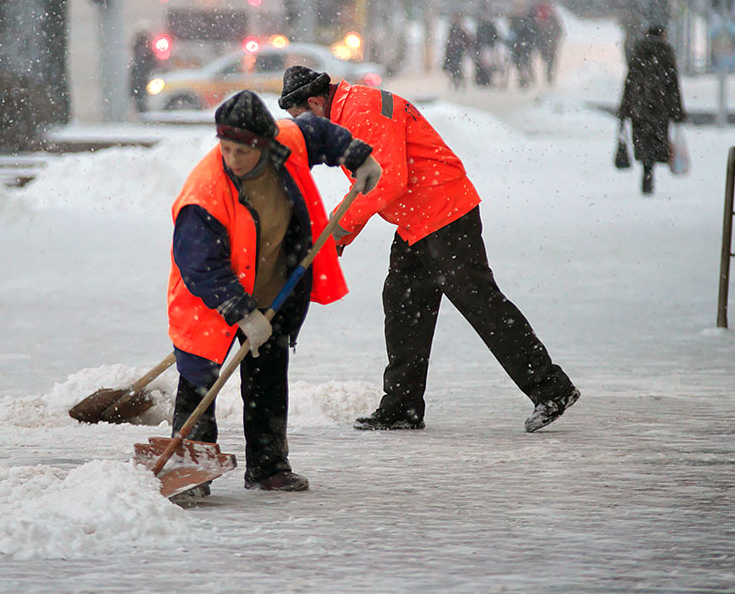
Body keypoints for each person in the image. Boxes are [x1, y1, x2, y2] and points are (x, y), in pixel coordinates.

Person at [278, 66, 580, 434]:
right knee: (404, 303)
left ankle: (551, 388)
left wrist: (337, 234)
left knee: (479, 302)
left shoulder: (361, 111)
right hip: (416, 218)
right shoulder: (350, 108)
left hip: (443, 211)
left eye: (301, 118)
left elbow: (384, 180)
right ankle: (402, 406)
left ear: (314, 101)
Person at [168, 90, 381, 494]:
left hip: (274, 286)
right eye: (225, 148)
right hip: (210, 298)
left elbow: (318, 133)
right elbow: (200, 267)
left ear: (263, 143)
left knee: (267, 379)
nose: (232, 159)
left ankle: (267, 466)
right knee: (199, 379)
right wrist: (242, 312)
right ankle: (188, 468)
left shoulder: (286, 144)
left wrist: (358, 157)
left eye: (241, 151)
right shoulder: (205, 193)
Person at [617, 25, 687, 196]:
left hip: (639, 107)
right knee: (657, 140)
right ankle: (650, 171)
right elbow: (673, 84)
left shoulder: (639, 52)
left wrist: (624, 108)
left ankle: (646, 169)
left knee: (643, 140)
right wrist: (677, 110)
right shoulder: (666, 52)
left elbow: (630, 82)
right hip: (660, 107)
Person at [506, 0, 538, 89]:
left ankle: (525, 79)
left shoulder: (527, 20)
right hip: (516, 46)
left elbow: (531, 34)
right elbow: (511, 33)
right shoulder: (513, 20)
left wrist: (527, 43)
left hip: (525, 46)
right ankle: (522, 78)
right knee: (517, 63)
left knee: (525, 63)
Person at [533, 0, 564, 86]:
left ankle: (547, 77)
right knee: (549, 61)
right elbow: (559, 30)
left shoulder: (540, 19)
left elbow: (558, 31)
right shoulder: (552, 19)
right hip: (547, 44)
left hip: (547, 44)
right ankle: (548, 77)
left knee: (547, 61)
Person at [130, 30, 158, 113]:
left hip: (140, 81)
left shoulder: (137, 52)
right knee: (143, 101)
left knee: (140, 101)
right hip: (144, 80)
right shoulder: (147, 52)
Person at [442, 13, 472, 88]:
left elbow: (466, 40)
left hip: (457, 51)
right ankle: (455, 82)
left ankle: (459, 82)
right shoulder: (453, 29)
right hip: (453, 51)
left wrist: (463, 48)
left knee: (457, 67)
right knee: (453, 68)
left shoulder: (460, 30)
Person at [472, 7, 500, 87]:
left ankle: (487, 79)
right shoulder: (481, 26)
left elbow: (495, 37)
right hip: (482, 47)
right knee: (482, 64)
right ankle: (482, 79)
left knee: (488, 64)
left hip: (488, 48)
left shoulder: (489, 26)